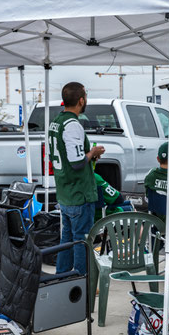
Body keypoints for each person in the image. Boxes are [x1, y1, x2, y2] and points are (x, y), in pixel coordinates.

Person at [50, 82, 105, 275]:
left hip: (65, 191)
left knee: (67, 240)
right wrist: (93, 152)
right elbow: (76, 162)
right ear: (81, 100)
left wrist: (88, 154)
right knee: (81, 240)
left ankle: (62, 276)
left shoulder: (56, 121)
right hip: (78, 193)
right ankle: (82, 281)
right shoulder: (72, 125)